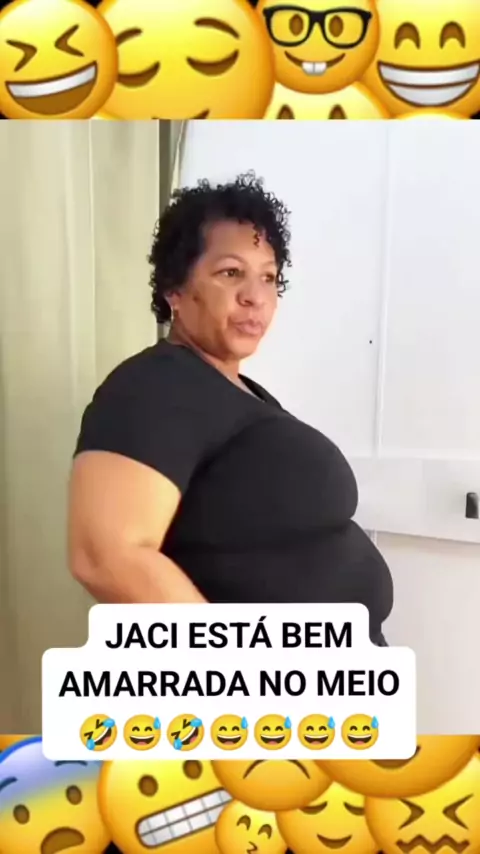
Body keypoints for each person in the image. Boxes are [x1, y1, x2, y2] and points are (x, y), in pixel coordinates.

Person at [69, 172, 393, 646]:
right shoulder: (155, 385)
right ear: (174, 288)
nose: (255, 296)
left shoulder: (238, 391)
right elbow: (105, 557)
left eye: (269, 277)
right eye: (230, 273)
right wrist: (239, 666)